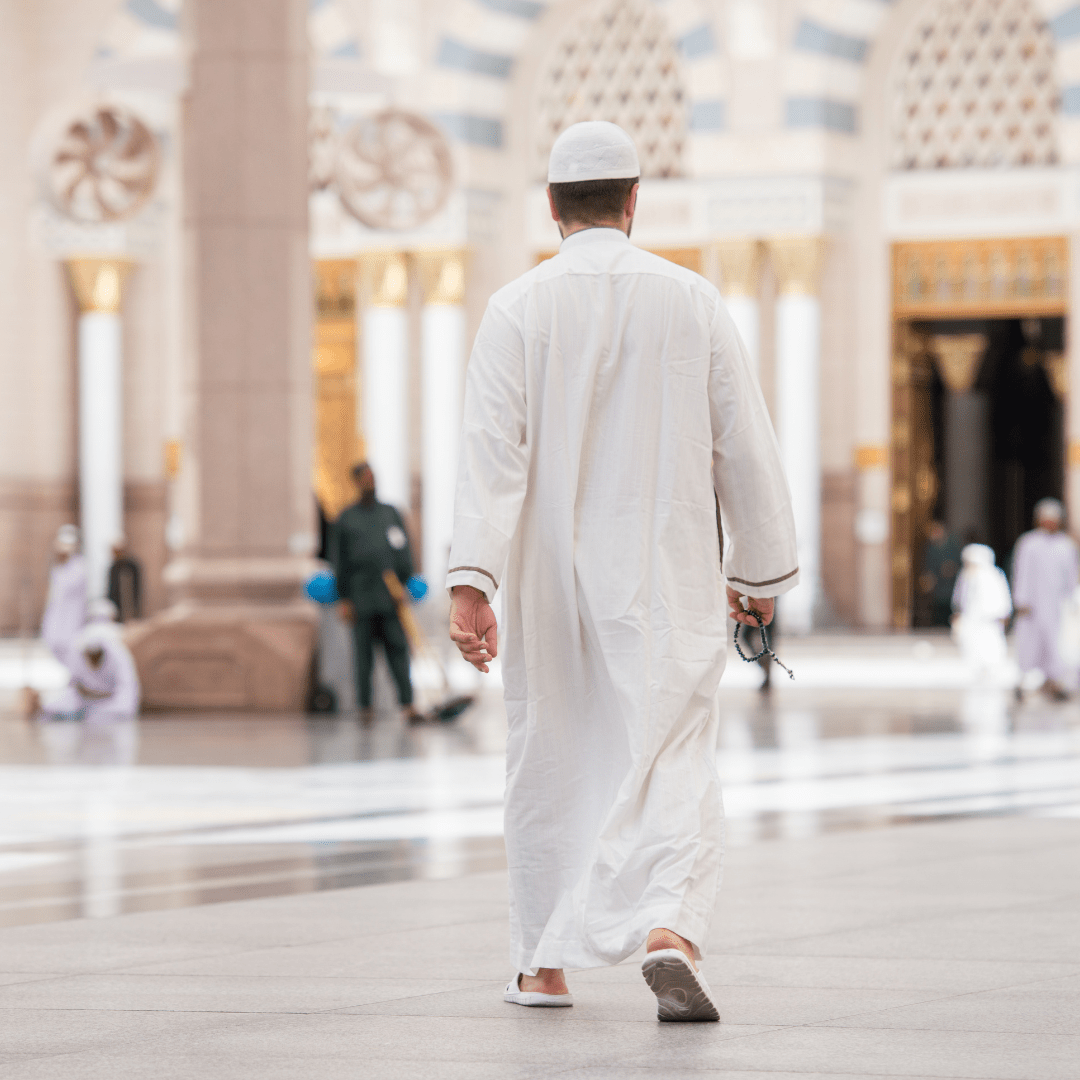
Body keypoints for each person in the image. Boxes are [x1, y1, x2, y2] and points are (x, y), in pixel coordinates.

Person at [446, 121, 798, 1022]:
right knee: (673, 748)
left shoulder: (516, 308)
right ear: (635, 201)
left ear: (553, 208)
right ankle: (670, 927)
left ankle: (542, 966)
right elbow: (744, 447)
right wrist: (756, 568)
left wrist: (471, 586)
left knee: (551, 753)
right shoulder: (691, 301)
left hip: (548, 580)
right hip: (666, 568)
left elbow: (491, 458)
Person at [328, 463, 424, 725]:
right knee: (363, 655)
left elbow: (402, 549)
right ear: (356, 482)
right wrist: (344, 598)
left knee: (398, 650)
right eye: (364, 479)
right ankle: (365, 707)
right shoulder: (346, 518)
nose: (369, 482)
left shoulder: (390, 514)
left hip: (390, 595)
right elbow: (340, 562)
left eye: (372, 477)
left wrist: (405, 582)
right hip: (361, 597)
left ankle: (408, 703)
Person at [39, 599, 141, 765]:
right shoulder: (79, 650)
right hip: (84, 701)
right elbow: (73, 683)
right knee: (58, 706)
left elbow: (127, 689)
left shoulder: (118, 654)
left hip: (109, 702)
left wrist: (102, 697)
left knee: (109, 714)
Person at [1012, 498, 1080, 701]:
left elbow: (1070, 576)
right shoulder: (1029, 543)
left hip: (1056, 606)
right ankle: (1024, 681)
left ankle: (1054, 682)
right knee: (1029, 643)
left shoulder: (1066, 546)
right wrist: (1021, 600)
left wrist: (1072, 600)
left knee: (1056, 645)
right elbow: (1021, 572)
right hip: (1032, 605)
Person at [951, 543, 1012, 679]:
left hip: (988, 620)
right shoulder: (966, 575)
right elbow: (961, 597)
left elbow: (1001, 598)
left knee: (990, 645)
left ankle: (990, 669)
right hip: (971, 618)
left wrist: (1000, 613)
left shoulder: (992, 575)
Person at [41, 524, 86, 667]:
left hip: (71, 617)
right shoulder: (58, 567)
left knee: (69, 647)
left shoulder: (79, 566)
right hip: (57, 615)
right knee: (54, 642)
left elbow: (71, 589)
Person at [920, 520, 961, 627]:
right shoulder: (931, 549)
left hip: (951, 586)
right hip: (938, 588)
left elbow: (959, 563)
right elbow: (928, 567)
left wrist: (952, 568)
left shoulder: (953, 546)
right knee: (938, 614)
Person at [107, 538, 142, 622]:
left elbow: (136, 588)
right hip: (117, 608)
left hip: (130, 606)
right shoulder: (114, 568)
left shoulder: (131, 566)